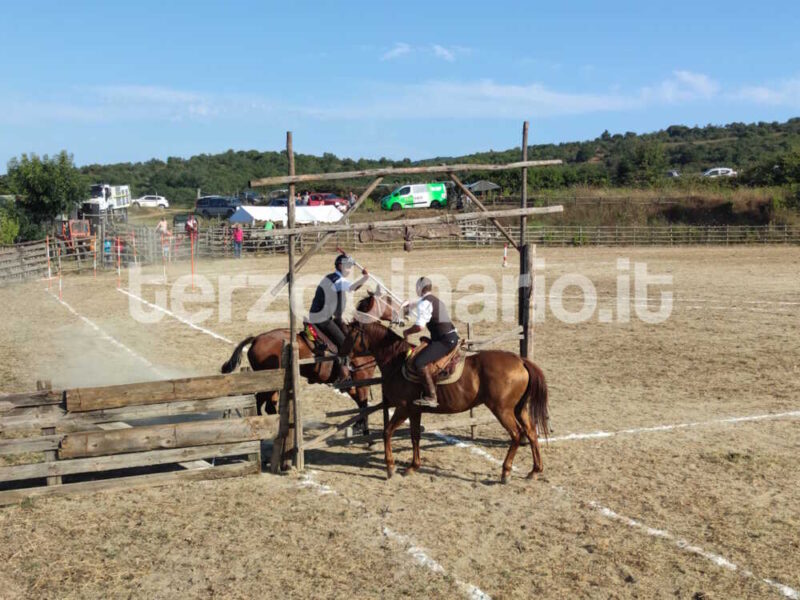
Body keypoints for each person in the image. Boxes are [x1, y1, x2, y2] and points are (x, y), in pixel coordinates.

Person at [402, 277, 459, 408]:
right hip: (449, 337)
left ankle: (432, 397)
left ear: (419, 288)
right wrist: (409, 304)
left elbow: (419, 327)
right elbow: (420, 303)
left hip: (444, 341)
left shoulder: (425, 303)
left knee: (419, 362)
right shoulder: (434, 300)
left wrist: (406, 332)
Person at [309, 254, 369, 375]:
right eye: (348, 267)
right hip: (322, 318)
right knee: (344, 343)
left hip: (318, 315)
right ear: (340, 266)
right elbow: (352, 287)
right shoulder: (338, 280)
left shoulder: (330, 277)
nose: (350, 269)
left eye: (351, 267)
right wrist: (365, 278)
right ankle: (343, 374)